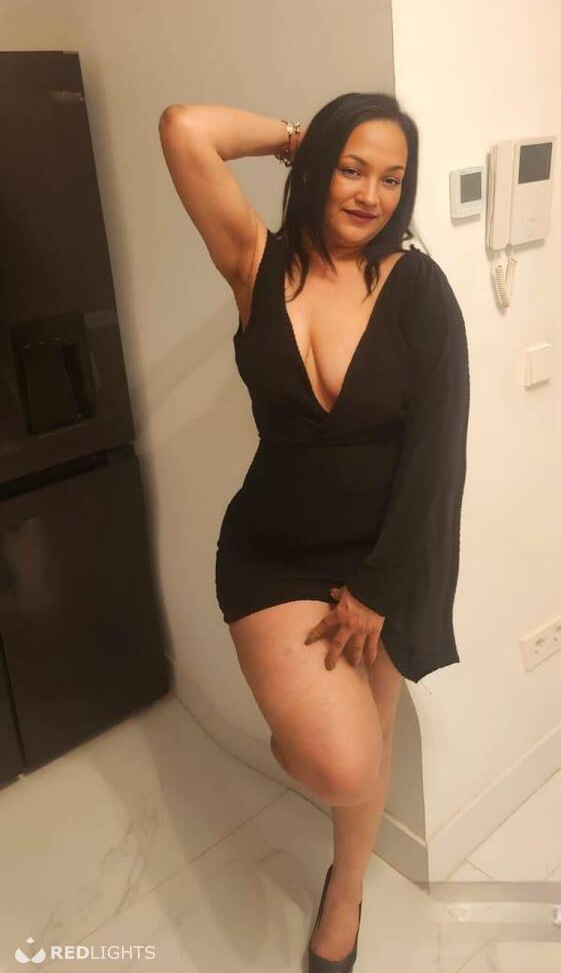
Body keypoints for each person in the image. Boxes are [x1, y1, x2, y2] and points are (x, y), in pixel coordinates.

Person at [158, 92, 470, 970]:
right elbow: (184, 128)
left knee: (366, 749)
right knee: (337, 763)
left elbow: (438, 453)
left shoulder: (417, 288)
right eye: (350, 167)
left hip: (383, 558)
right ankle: (304, 736)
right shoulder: (254, 261)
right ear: (318, 164)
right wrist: (297, 137)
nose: (370, 194)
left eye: (391, 178)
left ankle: (347, 889)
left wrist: (378, 589)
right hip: (273, 552)